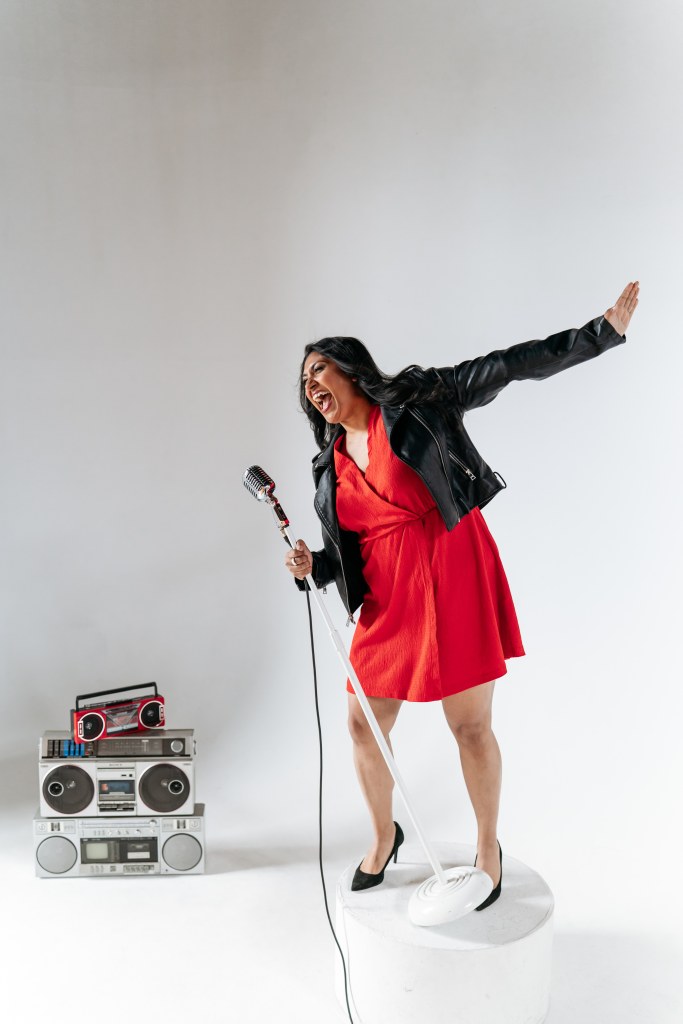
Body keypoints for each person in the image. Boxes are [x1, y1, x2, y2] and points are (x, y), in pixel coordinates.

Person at [285, 281, 639, 907]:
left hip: (453, 568)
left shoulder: (418, 400)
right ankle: (383, 836)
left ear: (351, 369)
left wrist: (599, 334)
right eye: (304, 380)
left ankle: (486, 847)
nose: (310, 383)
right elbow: (348, 553)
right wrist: (314, 563)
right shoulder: (329, 464)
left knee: (469, 725)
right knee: (363, 725)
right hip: (389, 596)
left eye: (319, 369)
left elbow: (509, 364)